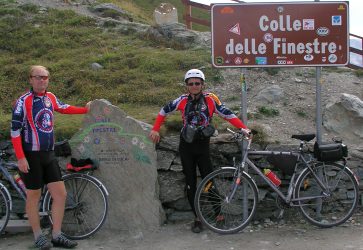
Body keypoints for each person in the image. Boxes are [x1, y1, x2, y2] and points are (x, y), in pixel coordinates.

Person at [149, 69, 250, 233]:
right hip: (186, 146)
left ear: (203, 84)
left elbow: (227, 114)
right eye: (191, 84)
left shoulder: (211, 99)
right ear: (186, 86)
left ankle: (219, 215)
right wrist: (155, 129)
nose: (194, 86)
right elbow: (163, 111)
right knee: (190, 184)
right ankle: (197, 219)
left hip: (203, 145)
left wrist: (244, 128)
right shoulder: (181, 100)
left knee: (209, 180)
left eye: (197, 83)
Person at [11, 65, 90, 249]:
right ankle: (38, 236)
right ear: (30, 79)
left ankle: (56, 234)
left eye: (45, 77)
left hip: (48, 154)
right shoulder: (24, 102)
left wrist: (84, 110)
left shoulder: (50, 97)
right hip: (31, 155)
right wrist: (21, 158)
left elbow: (63, 108)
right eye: (38, 77)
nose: (42, 80)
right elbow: (14, 132)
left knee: (60, 195)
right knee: (34, 196)